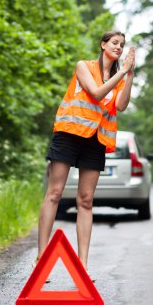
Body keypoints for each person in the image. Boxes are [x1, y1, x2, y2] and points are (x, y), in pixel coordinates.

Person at [34, 30, 135, 281]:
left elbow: (120, 106)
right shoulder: (84, 67)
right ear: (103, 45)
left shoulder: (120, 78)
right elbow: (97, 93)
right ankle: (40, 259)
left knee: (86, 200)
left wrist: (129, 75)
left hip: (95, 140)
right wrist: (122, 72)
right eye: (114, 43)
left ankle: (82, 266)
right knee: (55, 193)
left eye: (122, 45)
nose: (118, 48)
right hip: (69, 134)